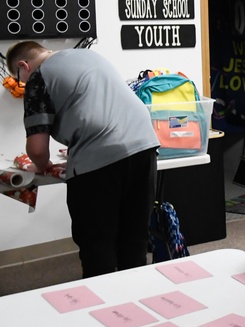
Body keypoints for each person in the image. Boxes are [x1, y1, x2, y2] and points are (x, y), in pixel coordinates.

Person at [6, 41, 161, 278]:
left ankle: (101, 306)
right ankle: (135, 302)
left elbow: (37, 149)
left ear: (23, 65)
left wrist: (41, 165)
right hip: (144, 146)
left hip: (100, 159)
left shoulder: (39, 77)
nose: (23, 84)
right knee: (134, 237)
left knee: (97, 245)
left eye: (20, 79)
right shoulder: (88, 56)